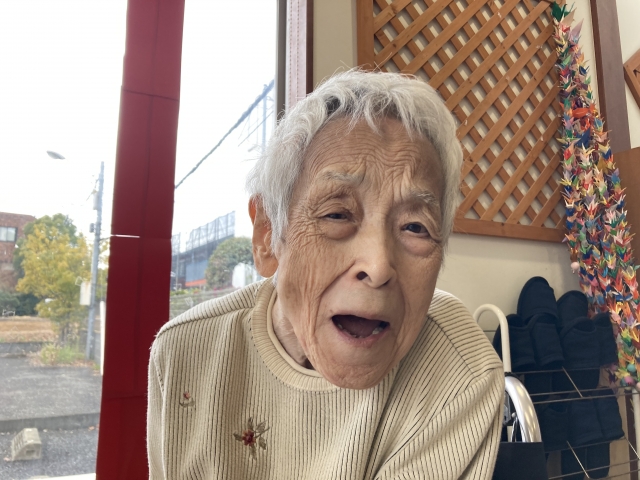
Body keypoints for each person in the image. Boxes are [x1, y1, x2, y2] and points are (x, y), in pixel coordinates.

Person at [147, 69, 504, 479]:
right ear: (267, 235)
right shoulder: (184, 353)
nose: (378, 266)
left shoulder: (459, 371)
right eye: (337, 214)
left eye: (415, 227)